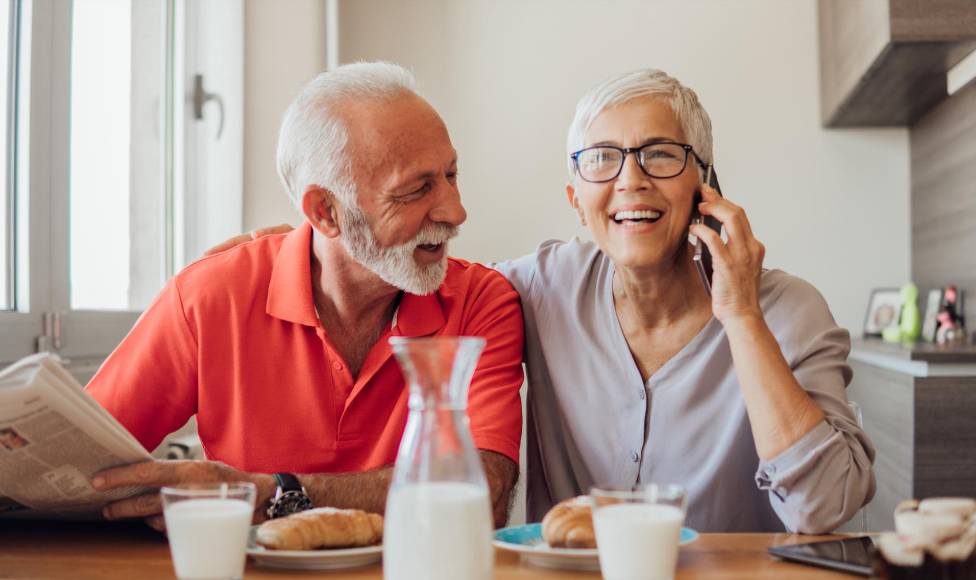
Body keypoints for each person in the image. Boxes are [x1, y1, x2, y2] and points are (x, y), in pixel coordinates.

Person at [211, 68, 877, 533]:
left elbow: (825, 509)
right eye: (602, 160)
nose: (631, 180)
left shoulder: (789, 312)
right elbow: (411, 258)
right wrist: (307, 242)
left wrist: (742, 317)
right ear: (575, 202)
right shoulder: (534, 288)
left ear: (706, 185)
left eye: (662, 156)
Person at [85, 62, 525, 530]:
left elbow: (480, 492)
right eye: (416, 189)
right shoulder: (211, 295)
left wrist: (279, 493)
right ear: (326, 211)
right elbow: (77, 469)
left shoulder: (482, 301)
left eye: (451, 175)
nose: (456, 211)